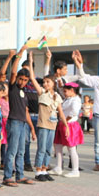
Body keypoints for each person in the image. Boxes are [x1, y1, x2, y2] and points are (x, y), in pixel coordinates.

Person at [26, 52, 69, 181]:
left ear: (53, 83)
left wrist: (66, 126)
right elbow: (33, 79)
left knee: (48, 149)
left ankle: (45, 169)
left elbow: (60, 112)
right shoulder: (42, 93)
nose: (45, 84)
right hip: (43, 124)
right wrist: (30, 60)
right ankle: (38, 171)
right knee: (41, 148)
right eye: (44, 82)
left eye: (48, 82)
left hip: (53, 125)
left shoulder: (57, 96)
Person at [2, 44, 36, 186]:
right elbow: (14, 72)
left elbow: (26, 111)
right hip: (14, 122)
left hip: (23, 123)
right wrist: (19, 54)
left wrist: (32, 128)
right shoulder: (13, 87)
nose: (22, 82)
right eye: (20, 79)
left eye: (25, 80)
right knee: (12, 150)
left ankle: (20, 175)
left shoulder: (24, 93)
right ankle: (8, 176)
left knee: (21, 151)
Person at [50, 83, 84, 178]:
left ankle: (75, 170)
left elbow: (74, 112)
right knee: (58, 146)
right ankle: (58, 167)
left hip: (70, 125)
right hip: (63, 124)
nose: (63, 93)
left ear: (72, 90)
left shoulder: (76, 100)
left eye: (65, 91)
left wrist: (65, 121)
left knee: (71, 147)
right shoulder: (67, 98)